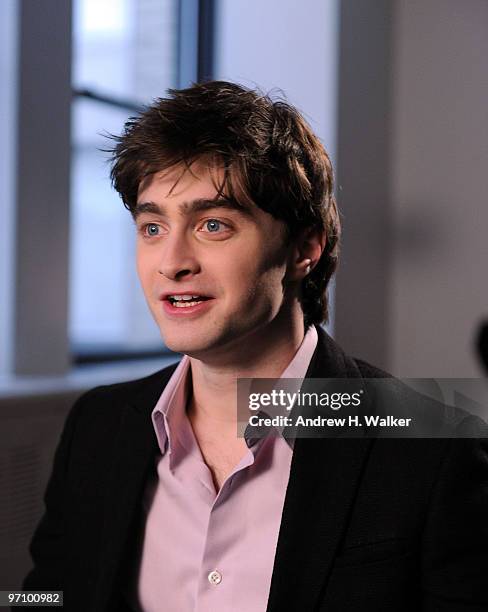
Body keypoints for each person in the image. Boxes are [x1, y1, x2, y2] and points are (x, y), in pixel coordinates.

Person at [23, 81, 488, 611]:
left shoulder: (437, 449)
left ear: (304, 249)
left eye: (213, 224)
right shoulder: (98, 424)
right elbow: (47, 596)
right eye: (152, 226)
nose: (171, 262)